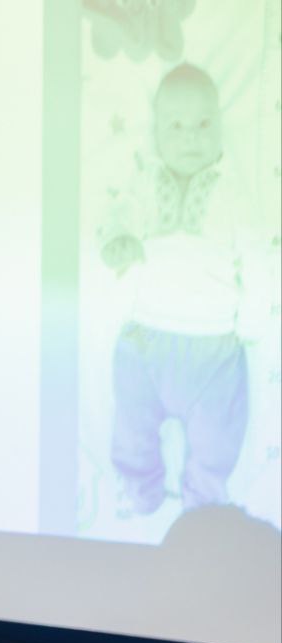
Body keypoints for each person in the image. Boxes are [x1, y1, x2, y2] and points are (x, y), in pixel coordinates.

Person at [97, 63, 256, 517]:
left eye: (204, 125)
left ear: (221, 127)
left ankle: (203, 505)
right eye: (176, 126)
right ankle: (139, 485)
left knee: (218, 435)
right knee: (131, 424)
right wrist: (118, 240)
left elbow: (255, 254)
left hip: (215, 345)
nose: (191, 139)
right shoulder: (145, 181)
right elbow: (119, 216)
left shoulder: (233, 192)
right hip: (146, 335)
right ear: (156, 133)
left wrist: (253, 319)